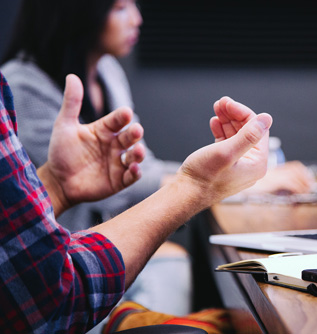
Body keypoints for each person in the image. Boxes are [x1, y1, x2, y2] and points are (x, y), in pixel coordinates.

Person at [0, 0, 312, 319]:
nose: (137, 18)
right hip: (57, 278)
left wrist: (220, 176)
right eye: (120, 8)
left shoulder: (107, 71)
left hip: (86, 260)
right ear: (75, 12)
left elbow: (137, 169)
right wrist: (223, 184)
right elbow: (126, 189)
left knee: (175, 263)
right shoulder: (21, 88)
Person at [0, 70, 272, 333]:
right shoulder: (22, 82)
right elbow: (50, 295)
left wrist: (56, 187)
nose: (137, 20)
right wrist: (196, 186)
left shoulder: (108, 71)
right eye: (122, 16)